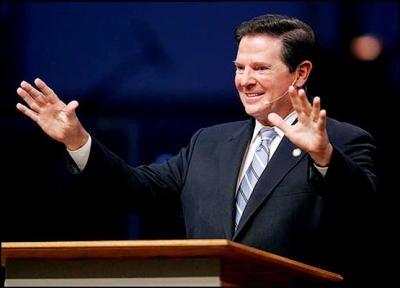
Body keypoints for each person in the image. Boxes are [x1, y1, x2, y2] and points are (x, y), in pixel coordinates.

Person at [15, 14, 381, 287]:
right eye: (239, 67)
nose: (245, 80)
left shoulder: (342, 141)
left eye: (260, 68)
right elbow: (134, 190)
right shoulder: (209, 143)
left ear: (300, 73)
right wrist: (77, 140)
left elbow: (364, 214)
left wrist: (324, 157)